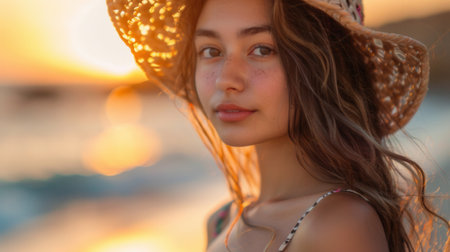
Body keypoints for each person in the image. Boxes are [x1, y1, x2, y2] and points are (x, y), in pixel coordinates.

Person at [107, 0, 449, 251]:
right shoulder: (222, 222)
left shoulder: (340, 225)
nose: (227, 79)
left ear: (323, 65)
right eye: (210, 50)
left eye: (261, 49)